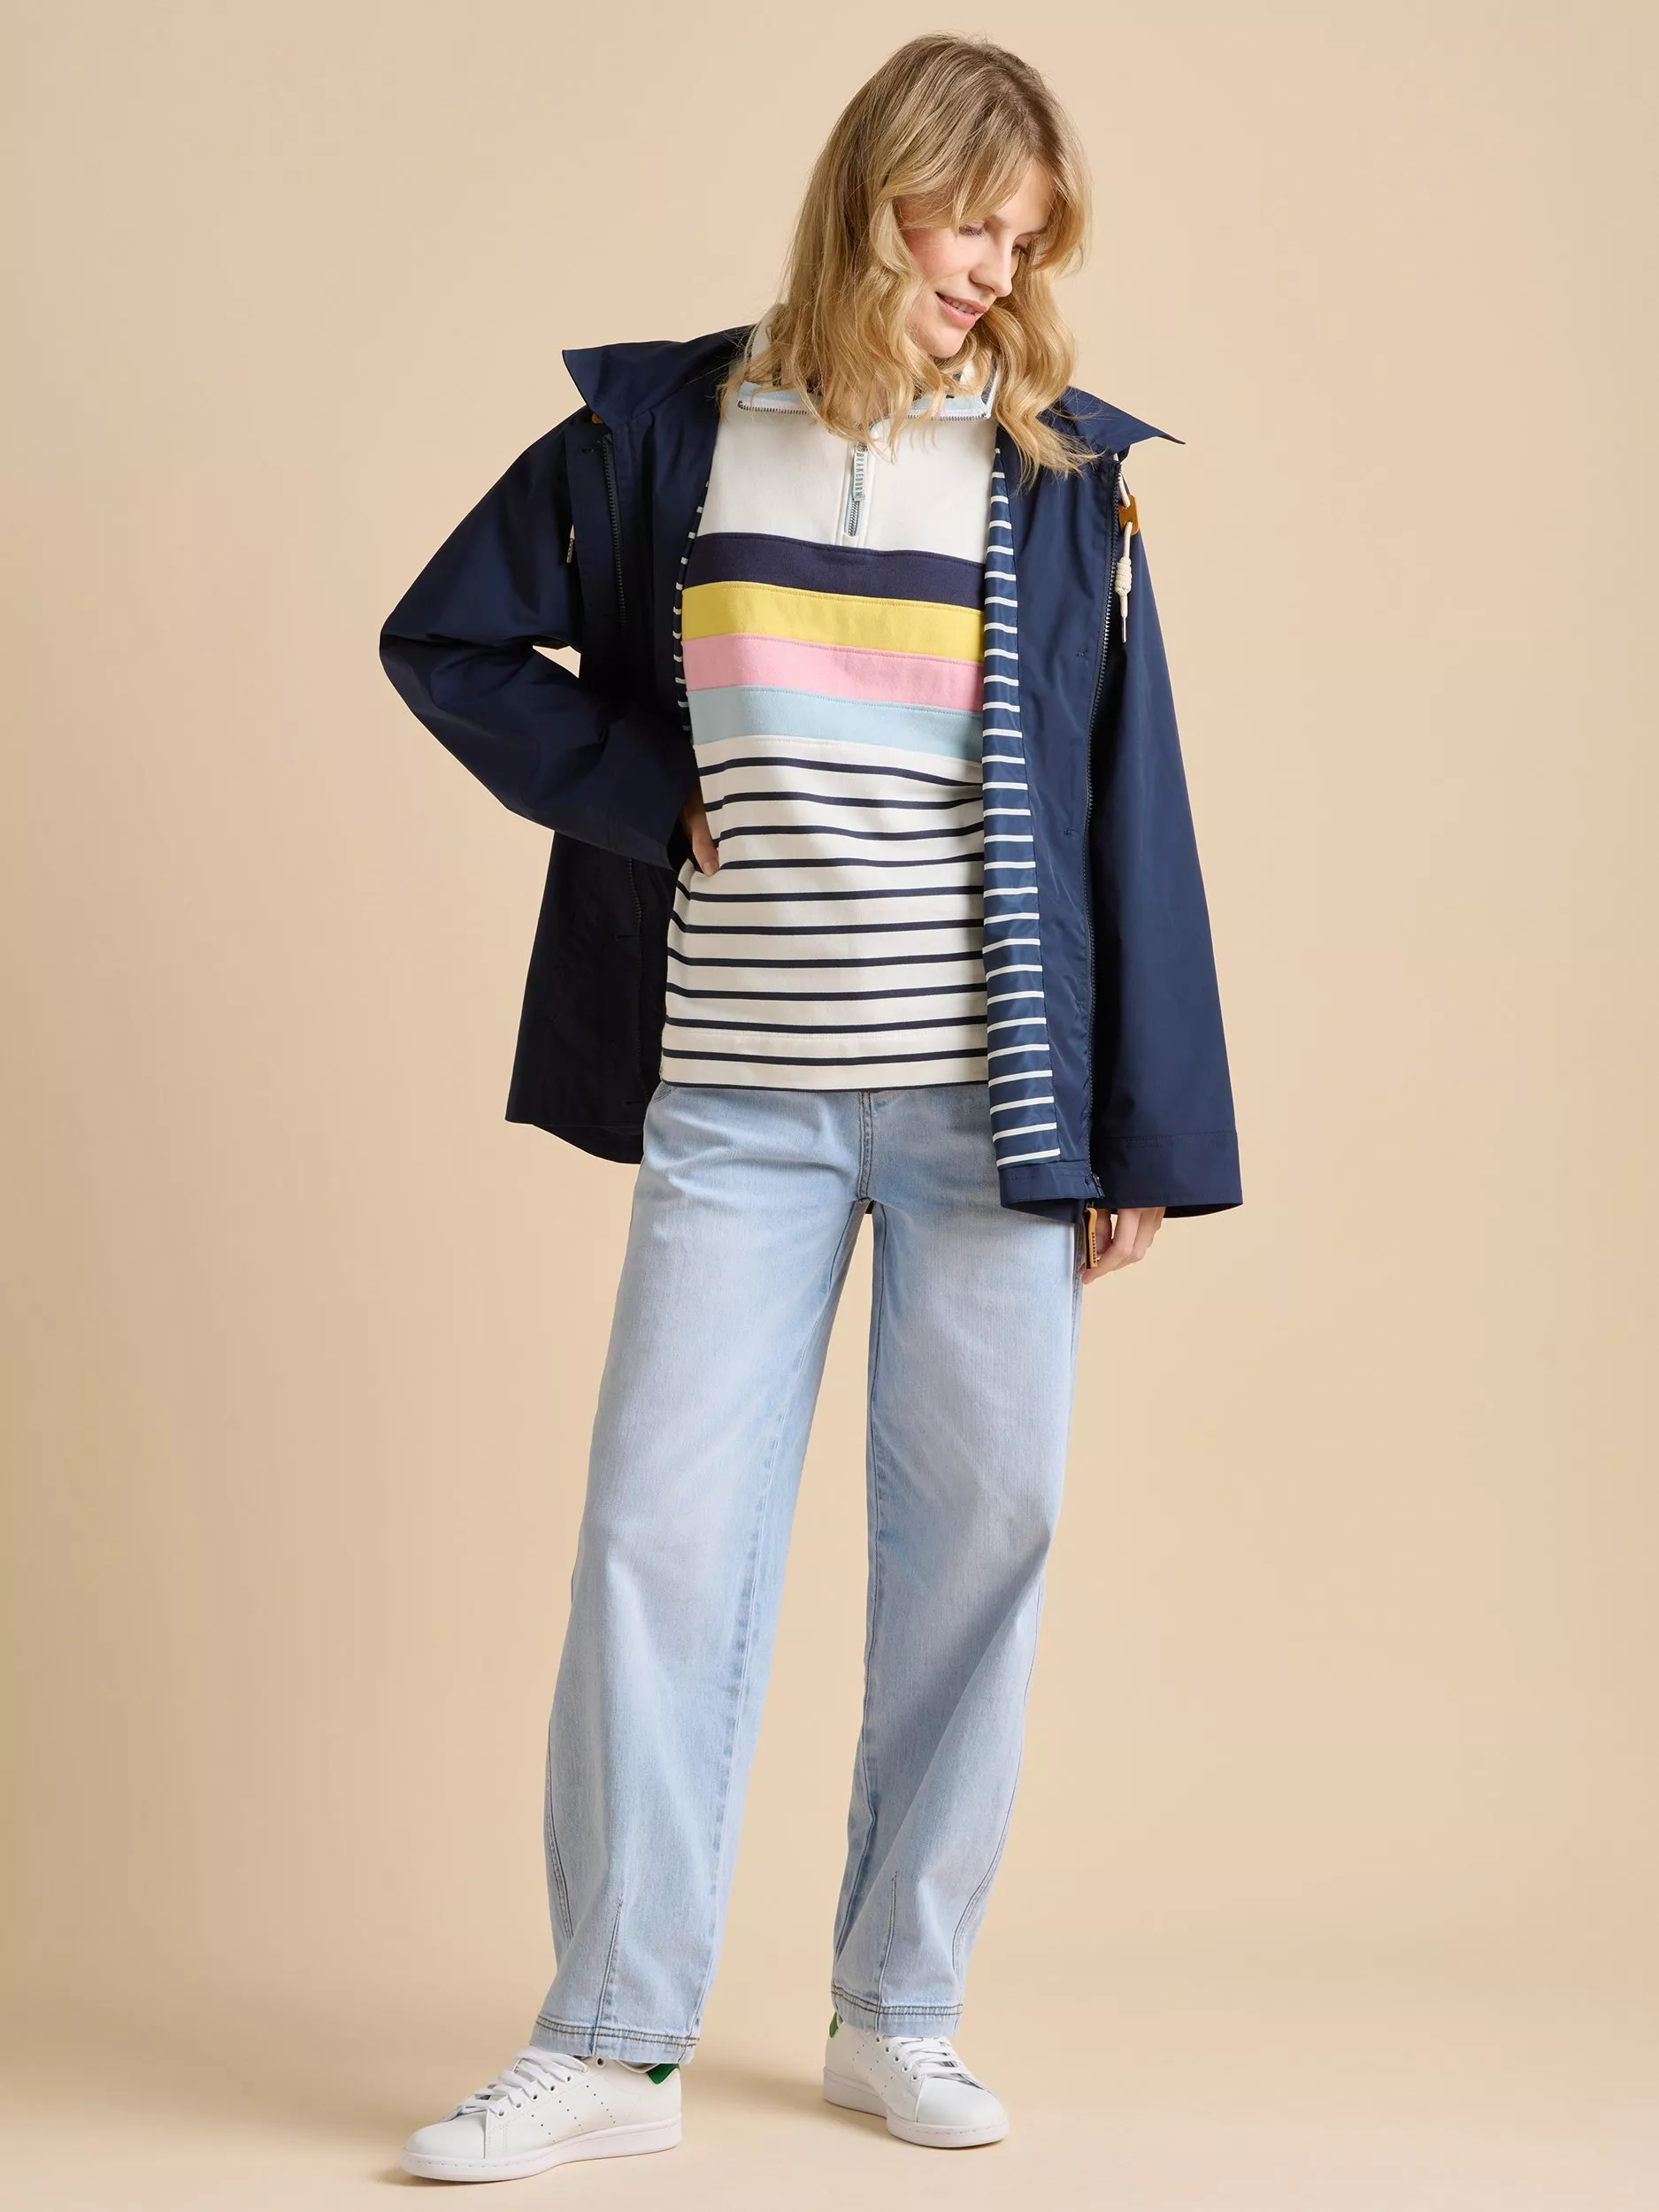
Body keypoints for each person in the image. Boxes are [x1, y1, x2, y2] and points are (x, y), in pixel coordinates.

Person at [378, 31, 1240, 2185]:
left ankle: (896, 2010)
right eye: (974, 225)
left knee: (980, 1546)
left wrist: (1135, 1128)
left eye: (1026, 242)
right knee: (655, 1544)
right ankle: (609, 2038)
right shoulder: (666, 433)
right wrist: (637, 789)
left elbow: (1127, 802)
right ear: (880, 194)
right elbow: (447, 639)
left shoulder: (1056, 474)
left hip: (987, 1110)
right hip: (736, 1104)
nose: (996, 272)